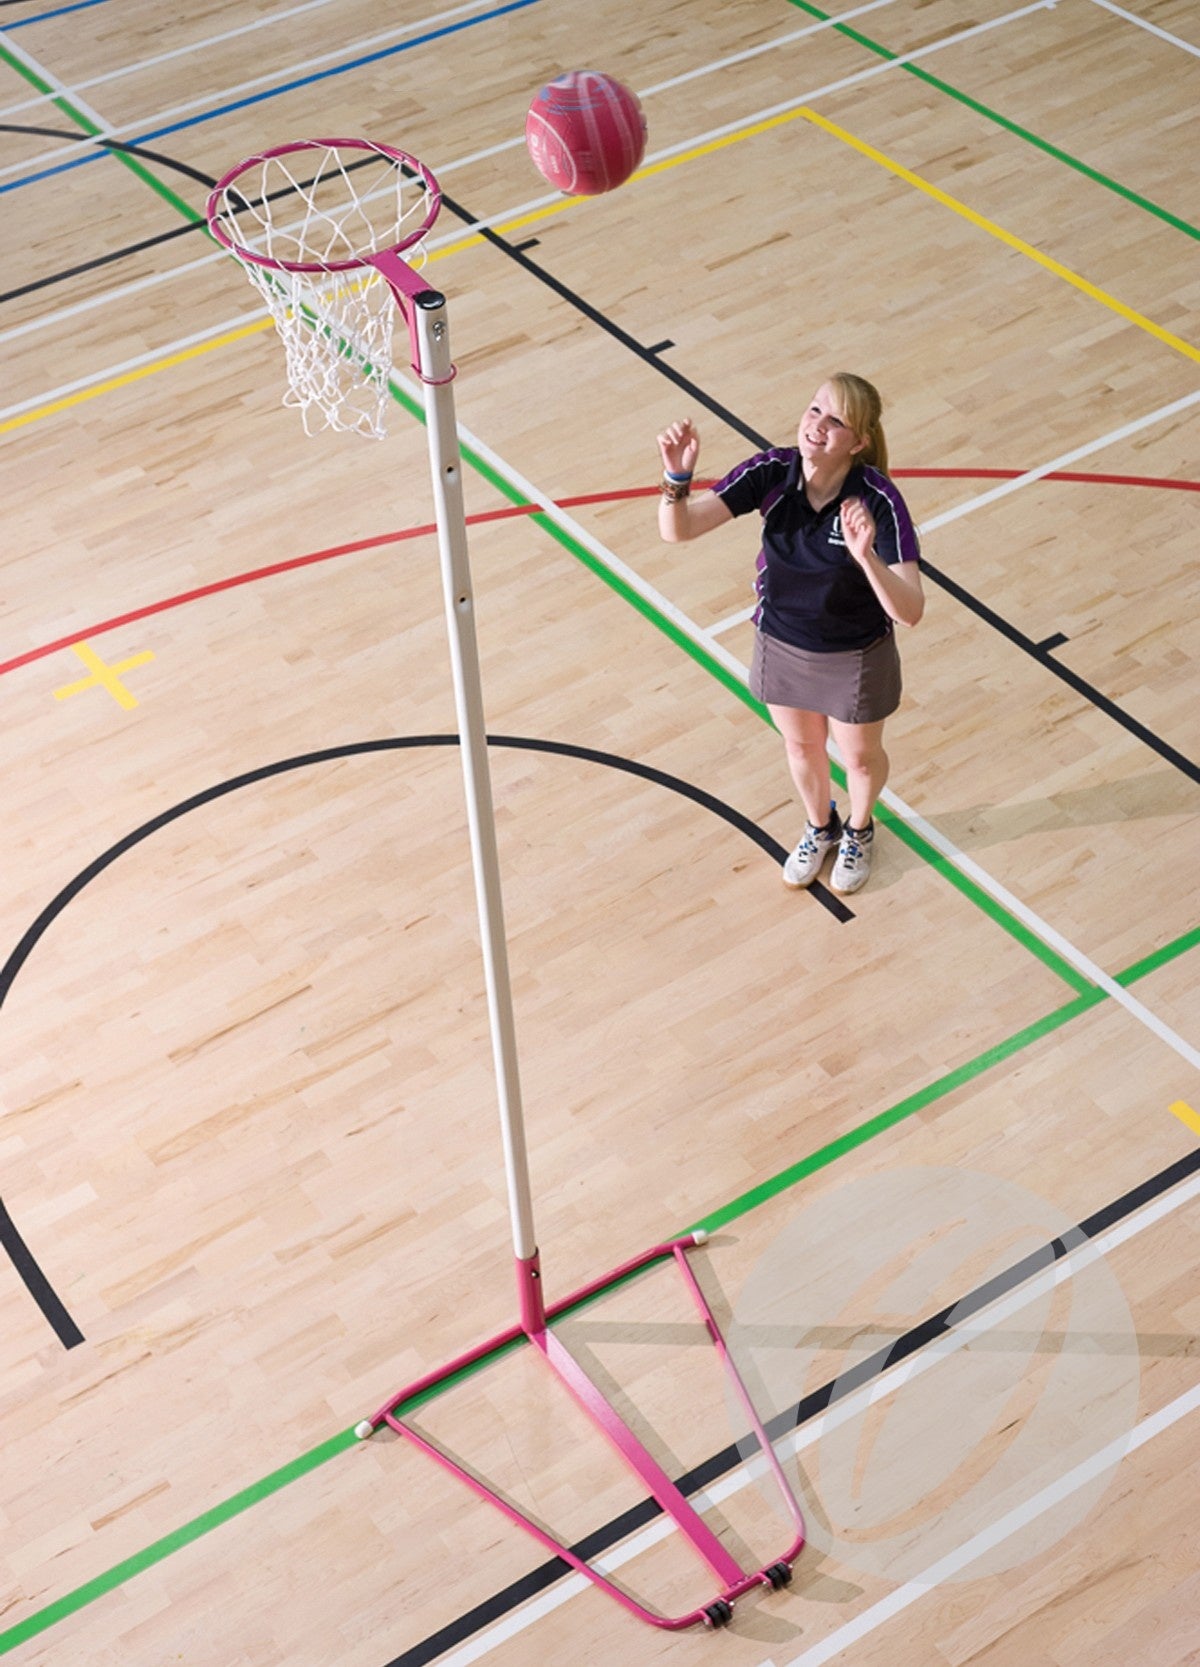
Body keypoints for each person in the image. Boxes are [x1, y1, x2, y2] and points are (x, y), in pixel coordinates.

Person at [656, 374, 923, 895]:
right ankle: (820, 827)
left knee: (861, 758)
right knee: (802, 750)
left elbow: (910, 611)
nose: (817, 426)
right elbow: (679, 529)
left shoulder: (878, 501)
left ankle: (860, 830)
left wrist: (865, 555)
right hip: (780, 642)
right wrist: (676, 476)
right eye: (815, 410)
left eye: (836, 420)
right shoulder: (772, 472)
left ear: (859, 442)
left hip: (855, 654)